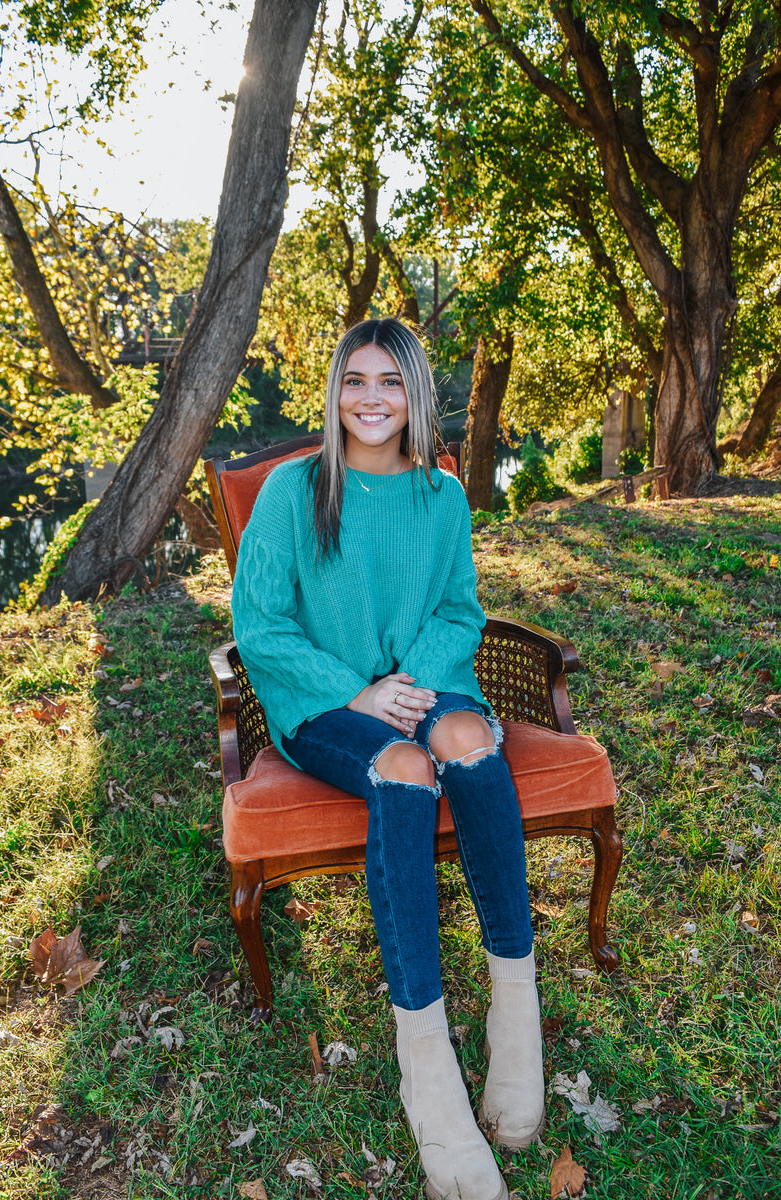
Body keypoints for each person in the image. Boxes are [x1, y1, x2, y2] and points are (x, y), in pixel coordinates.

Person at [231, 317, 544, 1200]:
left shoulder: (443, 496)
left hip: (424, 682)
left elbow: (458, 611)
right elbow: (259, 626)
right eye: (356, 380)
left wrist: (411, 684)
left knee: (467, 742)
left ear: (416, 393)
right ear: (335, 391)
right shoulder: (295, 491)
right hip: (324, 704)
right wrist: (357, 694)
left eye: (391, 381)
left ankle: (516, 1018)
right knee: (404, 767)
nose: (371, 398)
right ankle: (427, 1065)